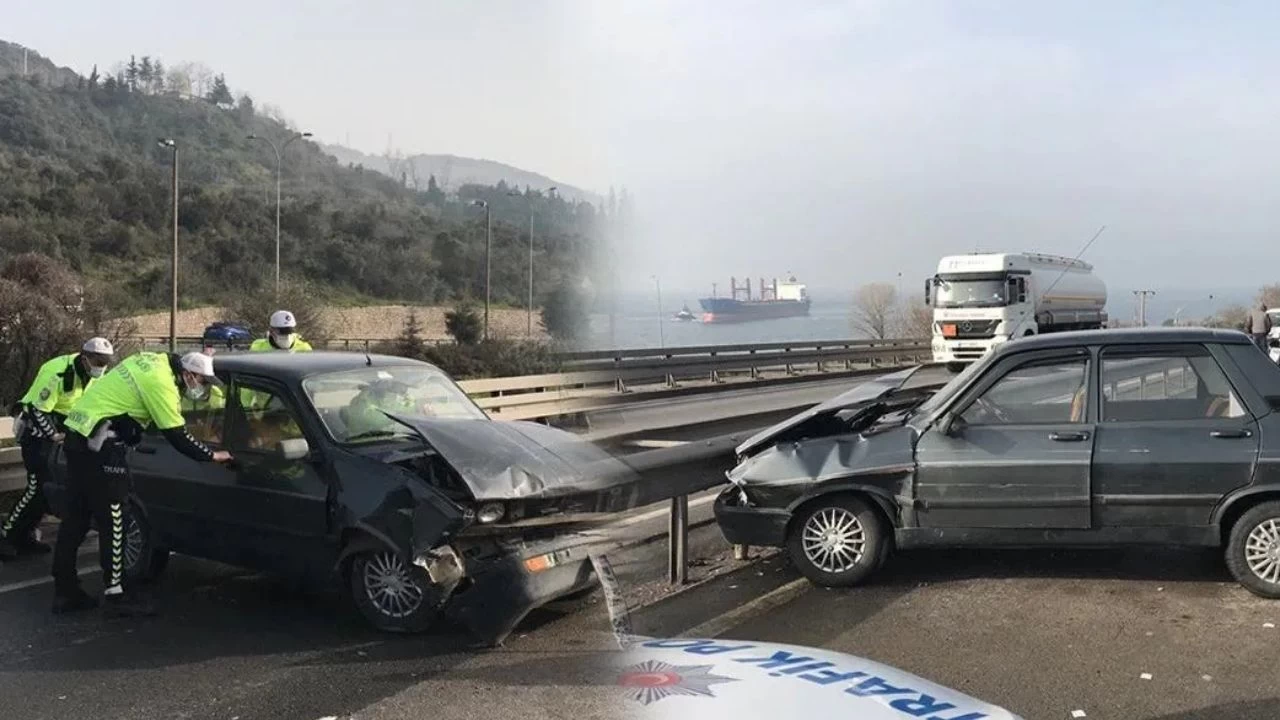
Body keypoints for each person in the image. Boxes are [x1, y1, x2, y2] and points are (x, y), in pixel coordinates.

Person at [53, 352, 234, 616]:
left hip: (78, 438)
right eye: (203, 382)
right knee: (116, 518)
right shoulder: (161, 383)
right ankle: (117, 595)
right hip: (102, 445)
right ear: (189, 375)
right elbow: (177, 435)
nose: (202, 388)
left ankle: (65, 591)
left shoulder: (153, 359)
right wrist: (213, 455)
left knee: (76, 518)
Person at [0, 338, 115, 560]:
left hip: (60, 433)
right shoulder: (58, 372)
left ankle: (26, 536)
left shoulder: (93, 376)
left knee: (47, 491)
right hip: (36, 432)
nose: (101, 366)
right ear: (85, 358)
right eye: (97, 361)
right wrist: (53, 435)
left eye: (105, 362)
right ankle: (8, 535)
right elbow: (37, 410)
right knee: (37, 487)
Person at [249, 310, 313, 353]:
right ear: (271, 331)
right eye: (281, 331)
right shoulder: (258, 347)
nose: (286, 334)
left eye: (289, 330)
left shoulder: (304, 349)